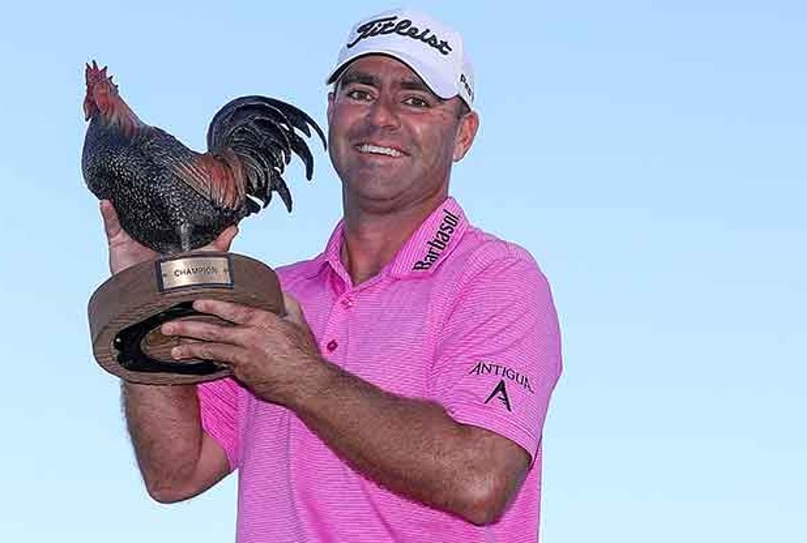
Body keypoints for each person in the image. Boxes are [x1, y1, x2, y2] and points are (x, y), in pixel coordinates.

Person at [99, 7, 562, 542]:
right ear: (332, 111)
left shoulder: (498, 280)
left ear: (463, 134)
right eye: (360, 92)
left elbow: (480, 478)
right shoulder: (274, 294)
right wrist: (145, 297)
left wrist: (300, 376)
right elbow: (174, 472)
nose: (381, 117)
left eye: (415, 100)